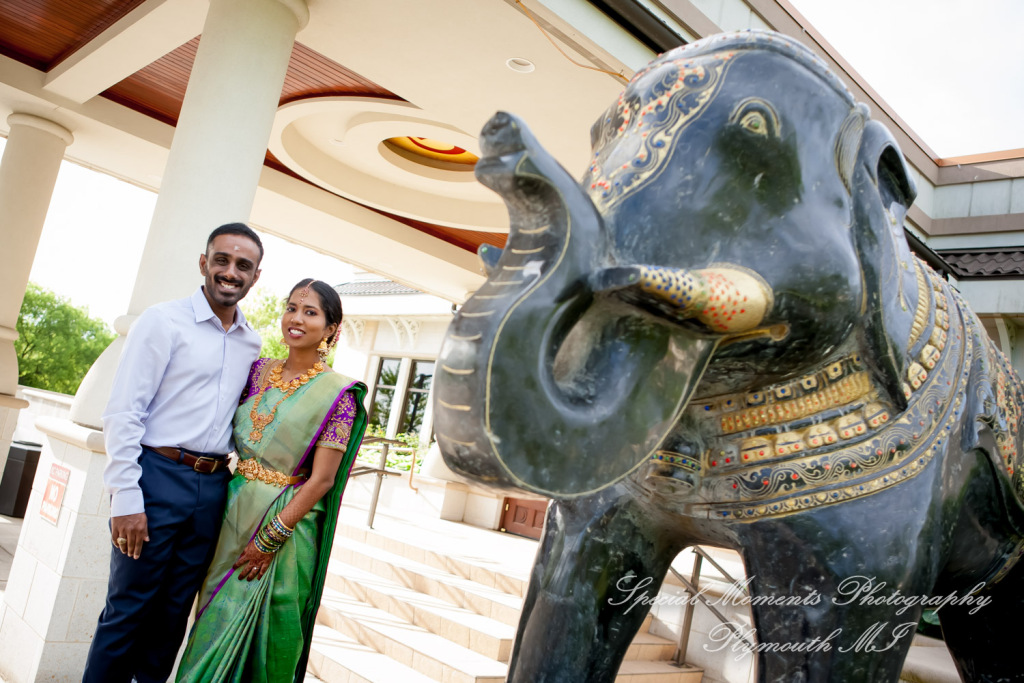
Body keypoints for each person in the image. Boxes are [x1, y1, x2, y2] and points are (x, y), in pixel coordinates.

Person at [83, 223, 265, 683]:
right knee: (128, 610)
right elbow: (123, 412)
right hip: (156, 477)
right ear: (204, 263)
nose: (230, 272)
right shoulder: (162, 321)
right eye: (221, 260)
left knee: (172, 618)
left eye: (243, 265)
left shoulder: (252, 342)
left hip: (213, 487)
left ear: (255, 276)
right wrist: (125, 497)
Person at [175, 278, 368, 683]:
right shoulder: (257, 371)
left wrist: (270, 538)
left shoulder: (339, 396)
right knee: (210, 622)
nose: (296, 318)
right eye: (291, 308)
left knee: (261, 637)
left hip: (284, 527)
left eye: (310, 312)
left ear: (331, 329)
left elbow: (322, 480)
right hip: (229, 510)